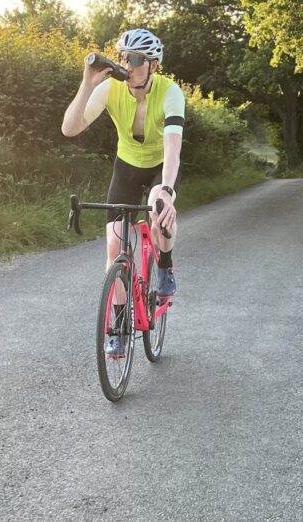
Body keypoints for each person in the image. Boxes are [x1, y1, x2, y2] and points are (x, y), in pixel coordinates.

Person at [61, 28, 185, 358]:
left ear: (153, 65)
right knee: (115, 246)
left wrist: (169, 192)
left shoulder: (170, 93)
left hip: (160, 165)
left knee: (159, 205)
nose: (127, 66)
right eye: (123, 58)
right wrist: (87, 83)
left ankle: (165, 266)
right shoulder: (110, 89)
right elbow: (69, 129)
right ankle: (117, 326)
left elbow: (173, 148)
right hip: (127, 167)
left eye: (135, 60)